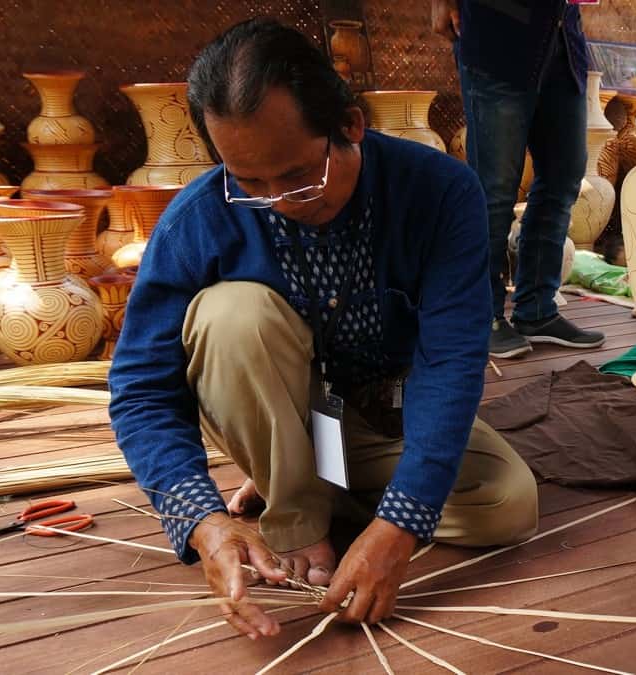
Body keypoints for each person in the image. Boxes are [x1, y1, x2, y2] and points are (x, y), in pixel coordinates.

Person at [108, 19, 538, 639]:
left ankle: (306, 475)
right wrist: (200, 520)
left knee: (506, 506)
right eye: (249, 184)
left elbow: (451, 360)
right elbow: (142, 389)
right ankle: (300, 506)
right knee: (232, 316)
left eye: (298, 176)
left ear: (350, 127)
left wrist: (396, 529)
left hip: (376, 414)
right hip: (266, 397)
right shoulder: (199, 219)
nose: (279, 200)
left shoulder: (439, 192)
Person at [431, 0, 605, 358]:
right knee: (494, 189)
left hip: (562, 35)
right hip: (497, 31)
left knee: (565, 175)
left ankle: (537, 310)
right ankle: (484, 317)